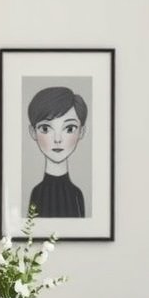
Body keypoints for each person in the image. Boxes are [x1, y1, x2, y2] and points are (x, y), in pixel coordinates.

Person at [26, 86, 87, 218]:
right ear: (33, 132)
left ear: (81, 132)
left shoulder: (77, 195)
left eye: (69, 128)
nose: (58, 139)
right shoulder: (37, 194)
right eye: (45, 128)